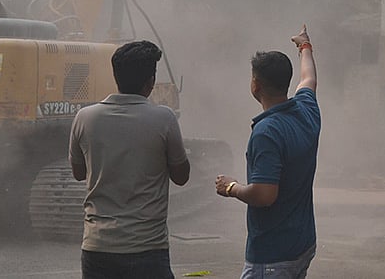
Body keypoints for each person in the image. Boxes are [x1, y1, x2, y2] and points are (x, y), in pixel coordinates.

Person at [69, 40, 190, 279]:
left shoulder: (85, 118)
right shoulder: (163, 118)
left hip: (98, 247)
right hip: (148, 248)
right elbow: (181, 176)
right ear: (151, 82)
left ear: (116, 76)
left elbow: (79, 173)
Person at [216, 25, 320, 279]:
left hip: (273, 255)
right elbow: (308, 78)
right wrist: (304, 46)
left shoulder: (266, 132)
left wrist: (230, 187)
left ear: (255, 85)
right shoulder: (307, 110)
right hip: (302, 244)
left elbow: (264, 195)